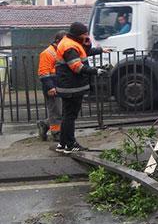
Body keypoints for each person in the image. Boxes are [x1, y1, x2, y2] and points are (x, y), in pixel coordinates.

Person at [55, 22, 110, 153]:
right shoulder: (69, 46)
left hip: (68, 86)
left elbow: (84, 53)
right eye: (85, 34)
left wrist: (99, 49)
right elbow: (77, 67)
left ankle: (62, 144)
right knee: (70, 116)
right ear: (78, 34)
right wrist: (96, 71)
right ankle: (70, 144)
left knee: (67, 116)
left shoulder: (70, 42)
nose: (86, 35)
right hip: (71, 87)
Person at [36, 31, 66, 141]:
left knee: (61, 110)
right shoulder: (47, 53)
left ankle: (44, 124)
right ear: (58, 41)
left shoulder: (61, 51)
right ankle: (56, 132)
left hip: (60, 85)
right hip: (52, 86)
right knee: (56, 111)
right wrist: (50, 87)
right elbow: (43, 73)